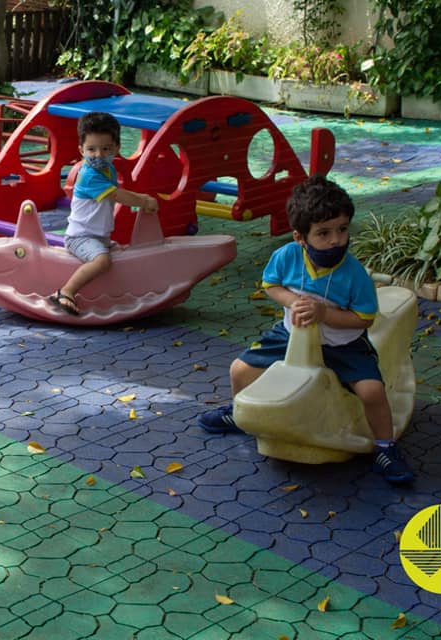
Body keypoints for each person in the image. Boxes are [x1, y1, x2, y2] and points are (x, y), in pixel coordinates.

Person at [198, 175, 414, 485]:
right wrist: (292, 300)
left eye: (342, 229)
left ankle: (385, 446)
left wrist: (325, 314)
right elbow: (271, 285)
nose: (335, 240)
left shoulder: (353, 274)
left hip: (343, 343)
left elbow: (364, 319)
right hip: (290, 334)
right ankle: (238, 412)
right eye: (323, 233)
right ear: (300, 237)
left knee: (372, 390)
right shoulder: (286, 257)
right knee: (239, 370)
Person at [48, 111, 158, 315]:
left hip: (99, 236)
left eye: (106, 149)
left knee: (121, 256)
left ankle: (117, 293)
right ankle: (65, 291)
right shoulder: (90, 175)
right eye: (91, 149)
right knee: (102, 261)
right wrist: (143, 201)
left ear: (117, 148)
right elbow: (116, 195)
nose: (98, 155)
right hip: (80, 237)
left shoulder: (108, 169)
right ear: (81, 149)